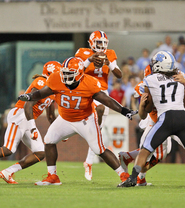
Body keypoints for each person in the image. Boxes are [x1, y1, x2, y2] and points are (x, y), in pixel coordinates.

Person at [18, 57, 137, 186]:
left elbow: (106, 100)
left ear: (80, 74)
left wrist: (124, 110)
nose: (66, 76)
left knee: (99, 149)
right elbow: (42, 93)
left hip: (85, 120)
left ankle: (124, 176)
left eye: (70, 74)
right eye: (65, 73)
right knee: (49, 141)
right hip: (65, 119)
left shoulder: (90, 82)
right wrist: (30, 96)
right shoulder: (56, 78)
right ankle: (52, 176)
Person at [117, 51, 185, 188]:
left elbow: (148, 108)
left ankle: (133, 178)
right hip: (183, 118)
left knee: (145, 150)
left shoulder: (150, 79)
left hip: (165, 118)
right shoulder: (179, 78)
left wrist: (144, 103)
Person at [0, 61, 61, 184]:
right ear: (52, 73)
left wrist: (59, 131)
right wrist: (32, 128)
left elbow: (51, 116)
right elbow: (28, 105)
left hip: (28, 119)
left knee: (40, 153)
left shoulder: (53, 90)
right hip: (20, 115)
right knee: (8, 149)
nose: (60, 76)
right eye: (58, 73)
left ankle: (8, 172)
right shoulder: (41, 82)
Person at [75, 30, 122, 180]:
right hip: (85, 89)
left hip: (101, 91)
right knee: (86, 121)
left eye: (103, 43)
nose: (101, 46)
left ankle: (88, 162)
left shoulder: (110, 53)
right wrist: (90, 59)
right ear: (91, 43)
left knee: (98, 130)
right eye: (98, 42)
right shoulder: (82, 52)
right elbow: (77, 69)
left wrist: (110, 64)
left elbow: (119, 74)